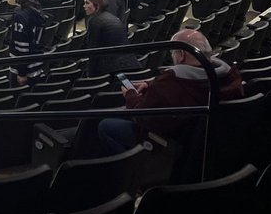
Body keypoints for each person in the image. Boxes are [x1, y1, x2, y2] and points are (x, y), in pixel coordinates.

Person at [98, 29, 244, 154]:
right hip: (203, 138)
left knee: (105, 125)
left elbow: (142, 115)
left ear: (181, 55)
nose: (172, 57)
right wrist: (149, 84)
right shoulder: (228, 75)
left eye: (173, 53)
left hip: (168, 141)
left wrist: (130, 94)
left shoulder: (172, 81)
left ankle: (132, 174)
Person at [83, 0, 133, 77]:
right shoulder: (112, 17)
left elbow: (93, 50)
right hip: (127, 62)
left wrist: (90, 75)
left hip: (111, 67)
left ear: (97, 6)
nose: (84, 6)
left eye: (87, 3)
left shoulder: (95, 21)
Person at [9, 0, 48, 85]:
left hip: (23, 69)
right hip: (37, 64)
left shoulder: (20, 16)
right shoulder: (38, 11)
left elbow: (22, 48)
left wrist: (22, 73)